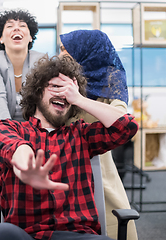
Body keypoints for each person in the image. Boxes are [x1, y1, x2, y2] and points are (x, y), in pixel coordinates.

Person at [0, 55, 138, 240]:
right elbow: (7, 143)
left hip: (78, 235)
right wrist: (26, 164)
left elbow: (127, 126)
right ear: (37, 91)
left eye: (69, 90)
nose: (62, 94)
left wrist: (80, 99)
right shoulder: (11, 128)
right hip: (28, 235)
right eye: (55, 87)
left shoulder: (81, 135)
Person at [59, 29, 137, 240]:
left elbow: (122, 119)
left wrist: (79, 99)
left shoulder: (110, 77)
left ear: (86, 51)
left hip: (97, 164)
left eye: (68, 50)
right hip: (61, 163)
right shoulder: (60, 77)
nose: (61, 55)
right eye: (60, 49)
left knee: (111, 222)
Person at [0, 9, 44, 225]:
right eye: (10, 26)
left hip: (33, 143)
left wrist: (24, 142)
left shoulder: (41, 60)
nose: (17, 28)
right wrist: (9, 138)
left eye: (23, 25)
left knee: (32, 211)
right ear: (0, 37)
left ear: (30, 36)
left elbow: (42, 104)